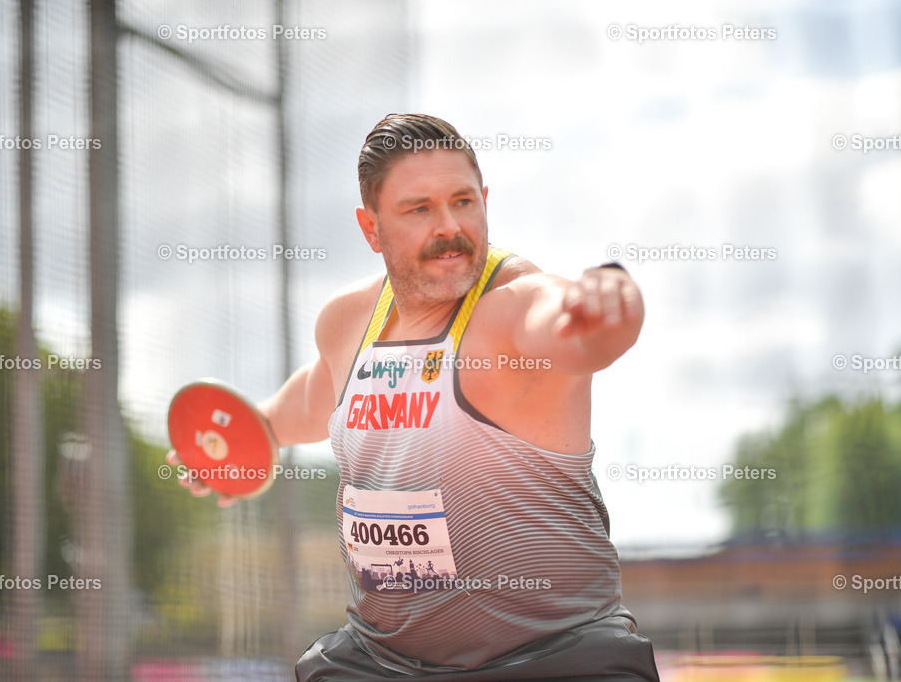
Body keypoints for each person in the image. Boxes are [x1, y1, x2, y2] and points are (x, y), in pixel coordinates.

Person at [169, 113, 660, 681]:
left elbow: (577, 333)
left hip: (556, 659)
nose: (449, 227)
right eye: (419, 209)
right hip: (384, 663)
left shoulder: (513, 309)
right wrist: (249, 437)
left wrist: (609, 304)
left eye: (463, 201)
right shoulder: (349, 322)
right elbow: (312, 398)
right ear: (371, 228)